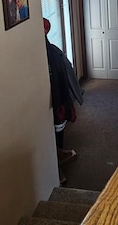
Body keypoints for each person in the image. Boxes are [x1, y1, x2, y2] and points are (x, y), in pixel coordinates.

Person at [44, 17, 83, 182]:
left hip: (59, 101)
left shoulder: (52, 53)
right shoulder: (48, 54)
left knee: (58, 127)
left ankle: (58, 152)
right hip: (58, 102)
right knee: (56, 127)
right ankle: (54, 161)